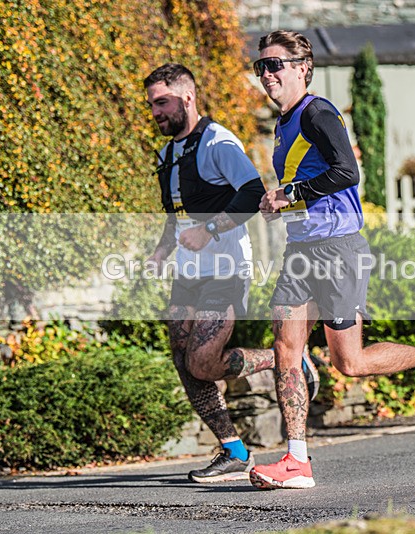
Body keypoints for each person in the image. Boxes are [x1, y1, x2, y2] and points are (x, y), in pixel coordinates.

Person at [248, 30, 415, 490]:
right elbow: (306, 184)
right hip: (302, 249)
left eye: (276, 65)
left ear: (302, 68)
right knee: (285, 346)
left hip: (337, 249)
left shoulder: (318, 112)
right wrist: (282, 205)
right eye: (261, 66)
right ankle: (296, 460)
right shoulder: (284, 123)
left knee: (347, 362)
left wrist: (292, 194)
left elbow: (347, 172)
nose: (267, 74)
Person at [143, 63, 319, 484]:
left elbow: (254, 194)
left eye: (162, 102)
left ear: (187, 97)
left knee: (203, 361)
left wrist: (210, 229)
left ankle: (289, 360)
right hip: (186, 273)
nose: (155, 112)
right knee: (185, 361)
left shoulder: (218, 142)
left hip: (226, 268)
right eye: (151, 105)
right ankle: (234, 451)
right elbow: (177, 215)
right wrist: (162, 250)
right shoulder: (168, 153)